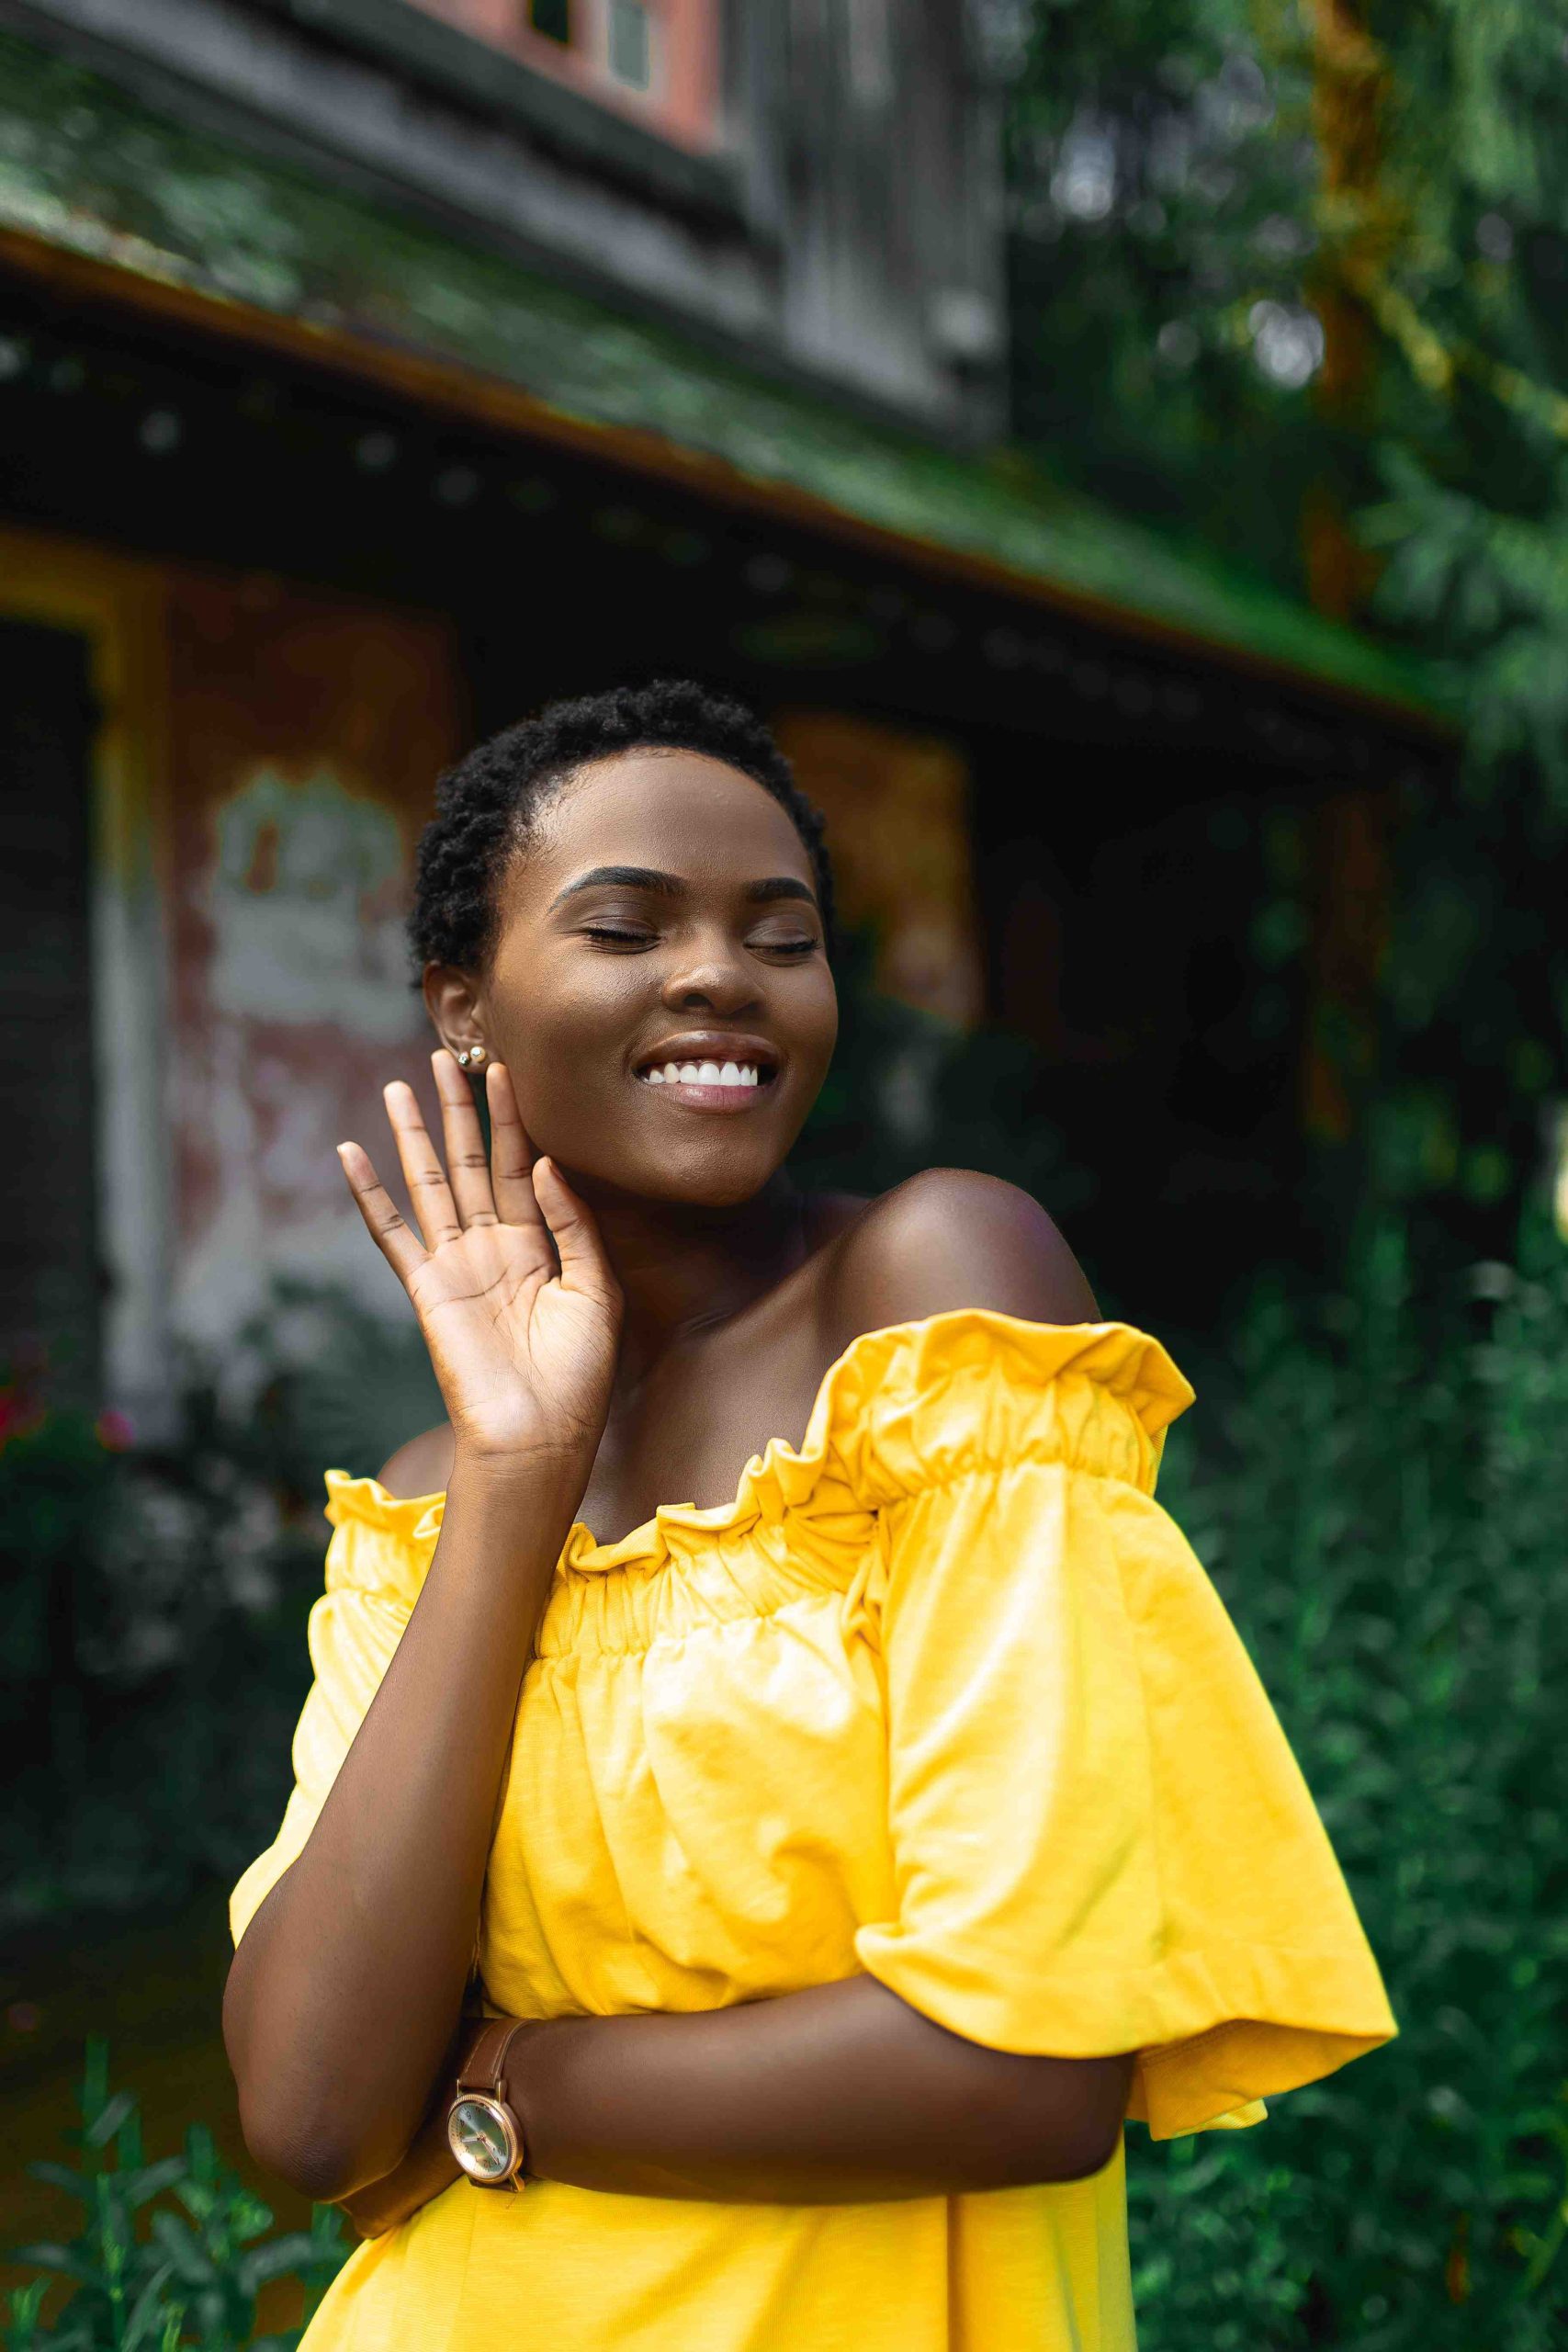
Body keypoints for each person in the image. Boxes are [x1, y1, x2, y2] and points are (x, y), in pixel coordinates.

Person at [222, 680, 1395, 2351]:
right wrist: (514, 1484)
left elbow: (1027, 2061)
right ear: (464, 1007)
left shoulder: (935, 1307)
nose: (719, 973)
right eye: (628, 926)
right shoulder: (427, 1502)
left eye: (782, 934)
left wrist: (494, 2079)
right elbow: (318, 2108)